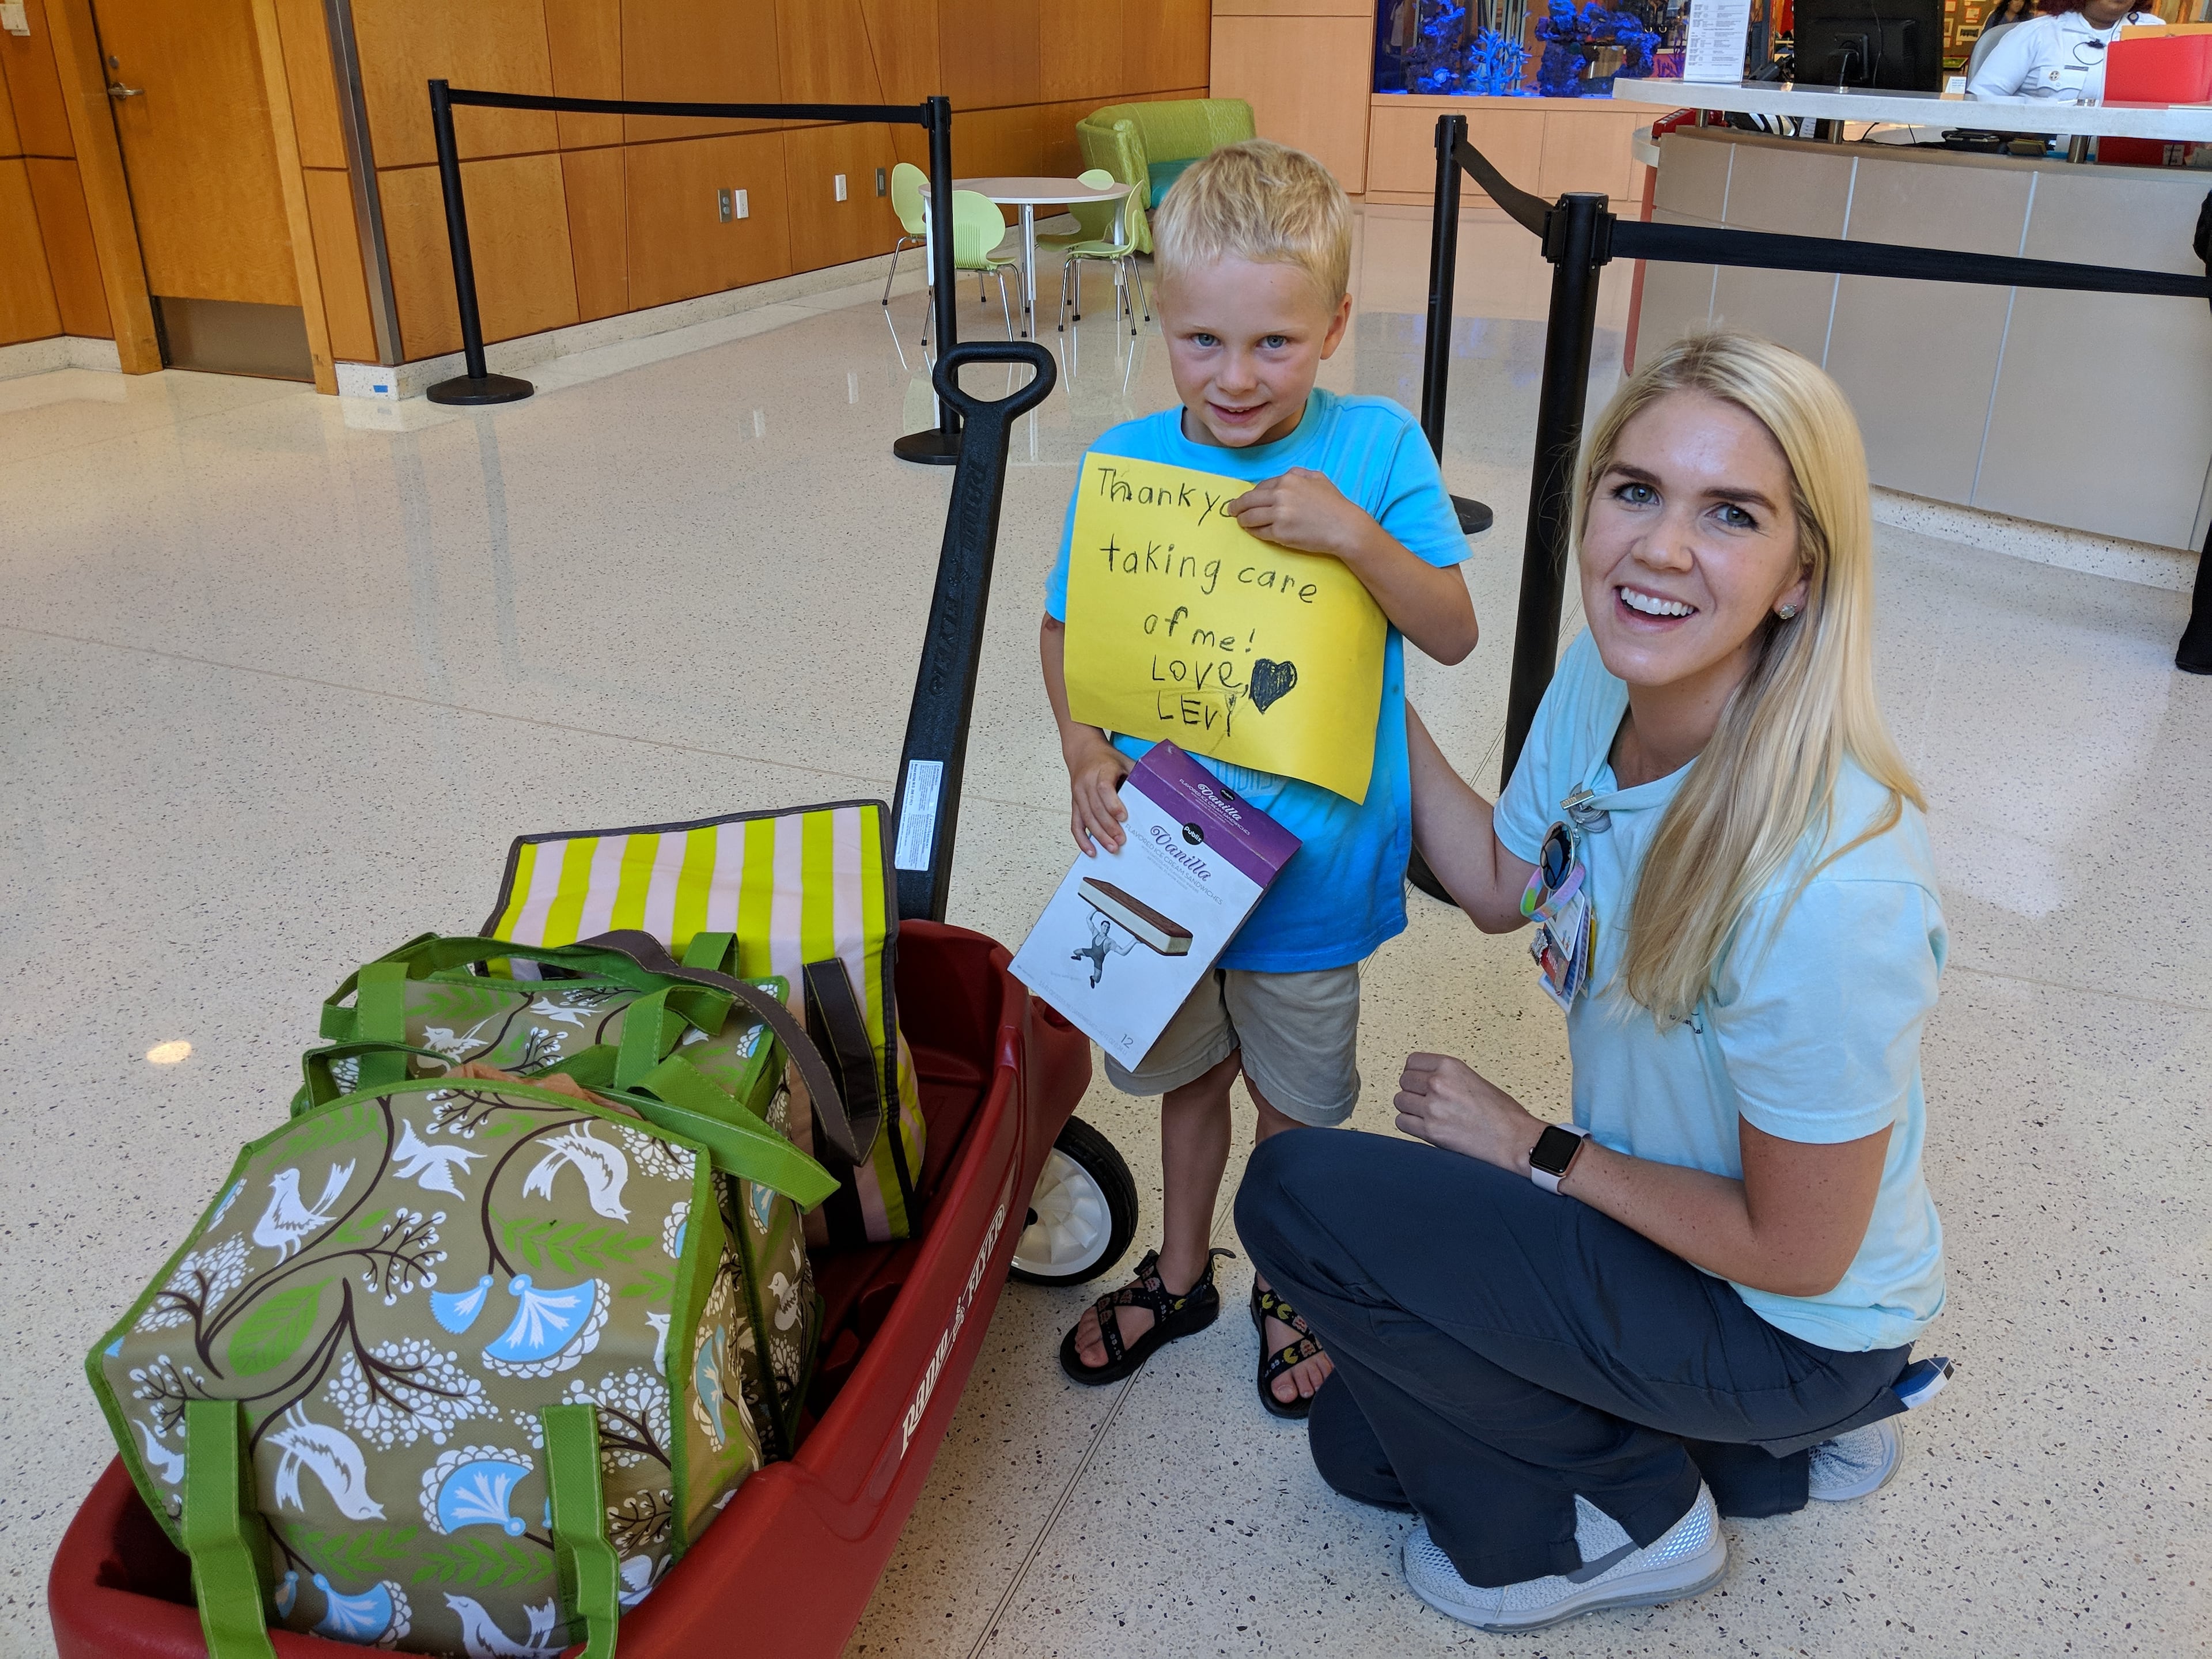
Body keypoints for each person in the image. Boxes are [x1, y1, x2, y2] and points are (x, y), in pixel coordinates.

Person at [1236, 332, 1948, 1631]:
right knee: (1358, 1448)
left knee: (1297, 1194)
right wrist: (1354, 676)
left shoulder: (1832, 894)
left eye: (1730, 514)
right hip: (1665, 1247)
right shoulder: (1606, 674)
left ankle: (1645, 1518)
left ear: (1802, 576)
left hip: (1793, 1316)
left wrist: (1534, 1149)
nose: (1659, 550)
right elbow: (1505, 888)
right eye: (1635, 491)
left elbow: (1798, 1245)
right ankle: (1785, 1454)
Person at [1040, 139, 1478, 1416]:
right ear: (1161, 323)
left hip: (1315, 874)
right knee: (1185, 1081)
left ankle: (1291, 1283)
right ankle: (1182, 1276)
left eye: (1276, 345)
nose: (1235, 379)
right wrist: (1080, 745)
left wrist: (1350, 535)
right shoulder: (1129, 460)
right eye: (1201, 343)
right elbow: (1073, 628)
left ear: (1336, 325)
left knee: (1298, 1108)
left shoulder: (1379, 450)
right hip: (1170, 855)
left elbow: (1448, 629)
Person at [1967, 0, 2162, 101]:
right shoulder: (2036, 34)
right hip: (2043, 159)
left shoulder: (2157, 34)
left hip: (2128, 162)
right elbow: (1978, 105)